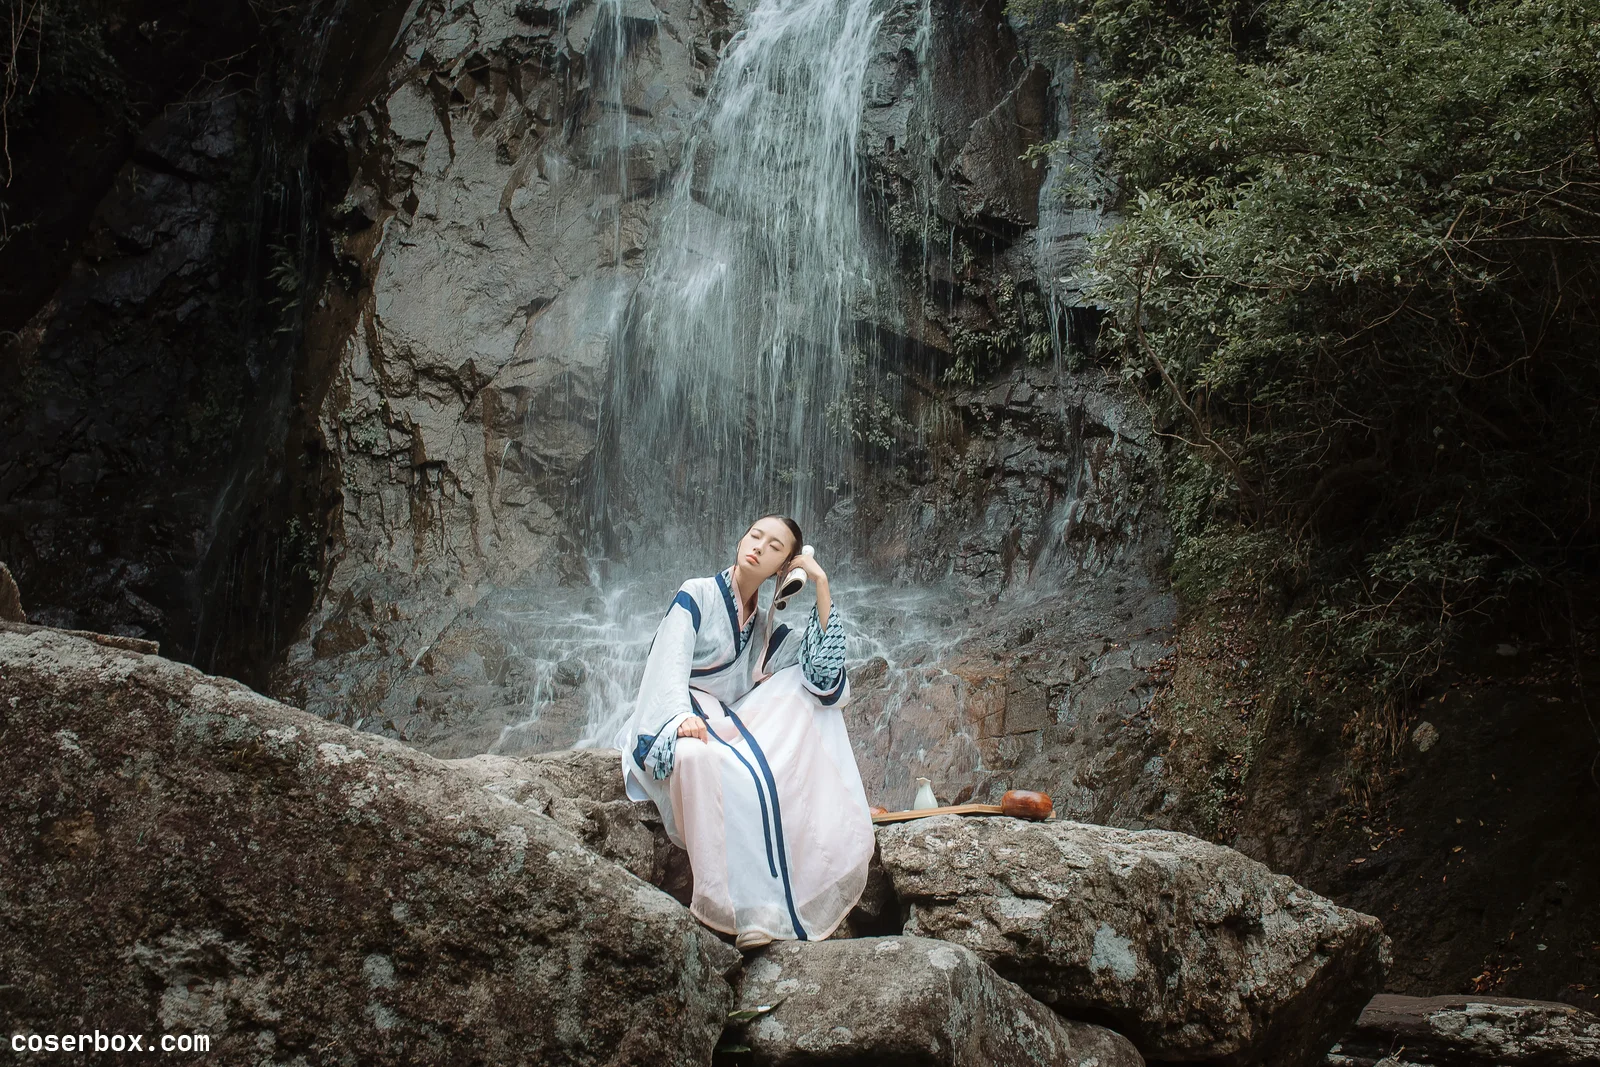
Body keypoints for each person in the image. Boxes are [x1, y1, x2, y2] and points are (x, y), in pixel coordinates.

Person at [618, 515, 874, 949]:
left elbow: (824, 678)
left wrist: (821, 584)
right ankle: (727, 906)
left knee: (802, 689)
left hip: (729, 725)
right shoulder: (697, 592)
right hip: (681, 717)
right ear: (741, 540)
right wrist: (677, 718)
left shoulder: (764, 628)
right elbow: (667, 660)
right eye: (755, 536)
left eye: (774, 547)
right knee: (697, 758)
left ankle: (777, 898)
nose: (758, 546)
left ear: (783, 568)